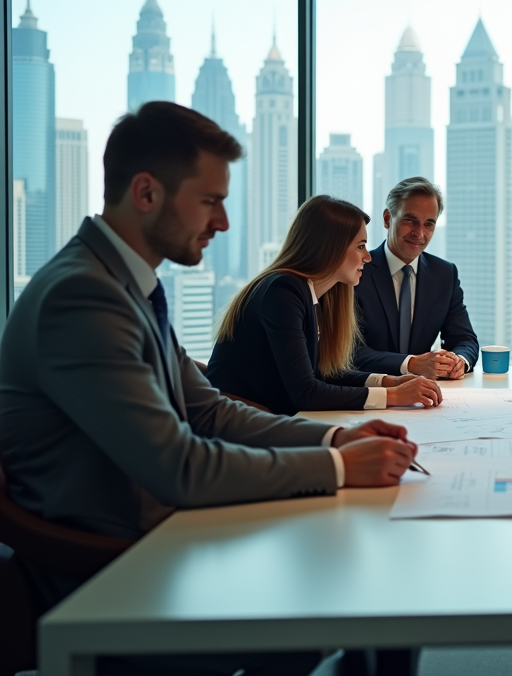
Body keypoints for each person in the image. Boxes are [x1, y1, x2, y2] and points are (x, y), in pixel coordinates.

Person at [0, 102, 417, 675]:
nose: (222, 222)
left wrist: (333, 442)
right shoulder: (83, 298)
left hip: (162, 533)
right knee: (361, 588)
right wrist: (341, 469)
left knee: (370, 586)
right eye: (211, 201)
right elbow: (181, 468)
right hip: (119, 571)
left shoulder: (124, 285)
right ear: (146, 193)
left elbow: (212, 411)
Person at [206, 196, 443, 416]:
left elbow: (325, 373)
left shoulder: (314, 293)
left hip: (267, 416)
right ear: (331, 247)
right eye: (360, 246)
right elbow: (306, 393)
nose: (367, 257)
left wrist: (386, 381)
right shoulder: (283, 291)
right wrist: (393, 396)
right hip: (237, 424)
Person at [354, 177, 478, 379]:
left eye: (429, 224)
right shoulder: (358, 271)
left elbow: (465, 339)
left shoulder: (445, 274)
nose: (419, 233)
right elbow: (349, 352)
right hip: (368, 393)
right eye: (410, 220)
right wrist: (411, 364)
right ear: (387, 219)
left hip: (424, 398)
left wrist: (459, 361)